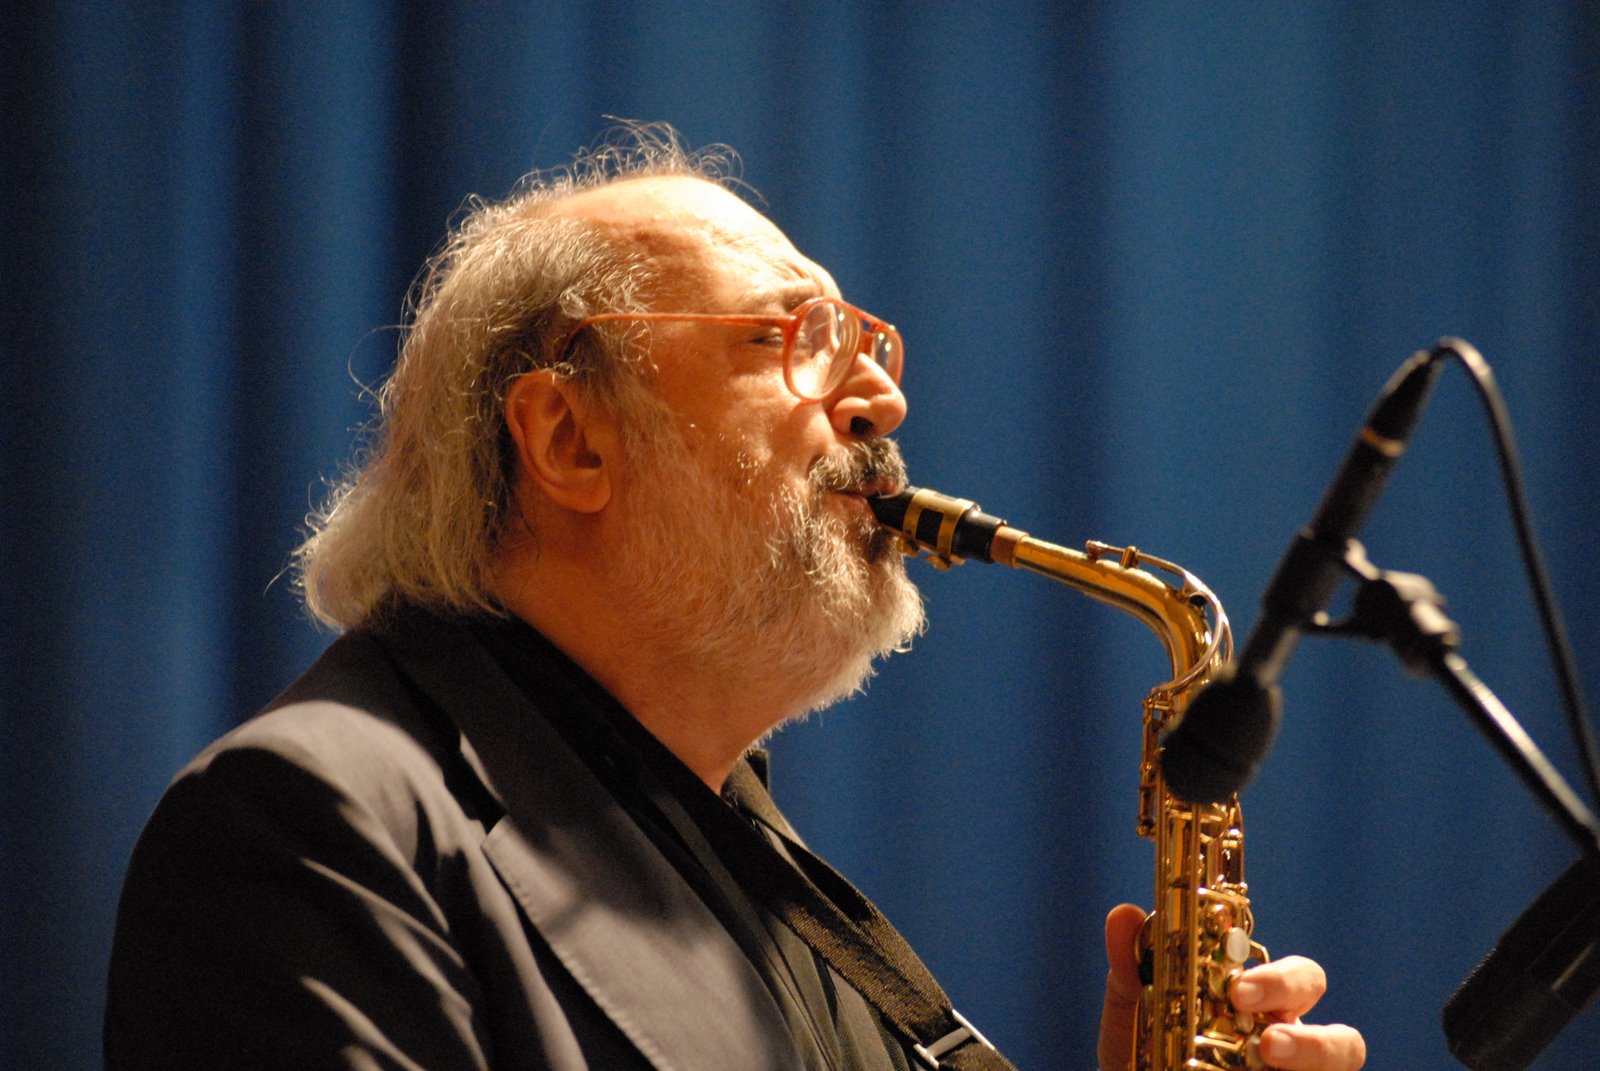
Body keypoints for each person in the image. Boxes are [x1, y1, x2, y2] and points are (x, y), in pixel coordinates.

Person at [105, 126, 1366, 1071]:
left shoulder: (738, 851)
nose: (882, 401)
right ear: (571, 438)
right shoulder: (310, 828)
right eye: (791, 337)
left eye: (866, 345)